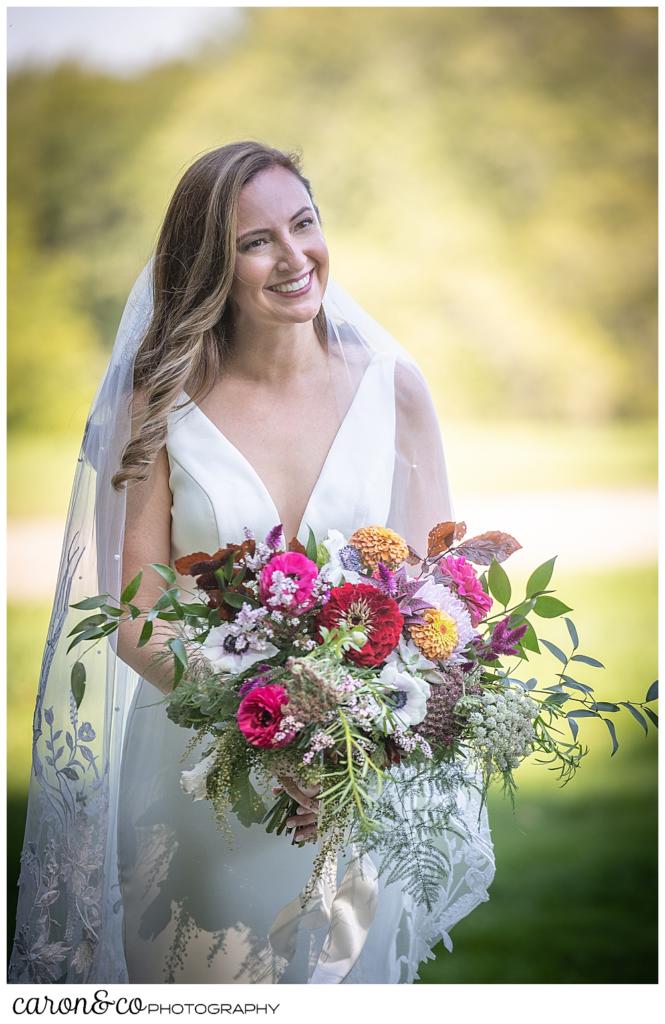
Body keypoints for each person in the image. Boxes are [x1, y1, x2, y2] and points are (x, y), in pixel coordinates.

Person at [10, 141, 495, 985]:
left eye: (302, 224)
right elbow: (132, 619)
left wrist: (348, 743)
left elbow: (429, 600)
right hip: (204, 786)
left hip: (355, 784)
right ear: (209, 265)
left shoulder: (393, 387)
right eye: (254, 241)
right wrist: (273, 743)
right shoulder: (152, 407)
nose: (293, 256)